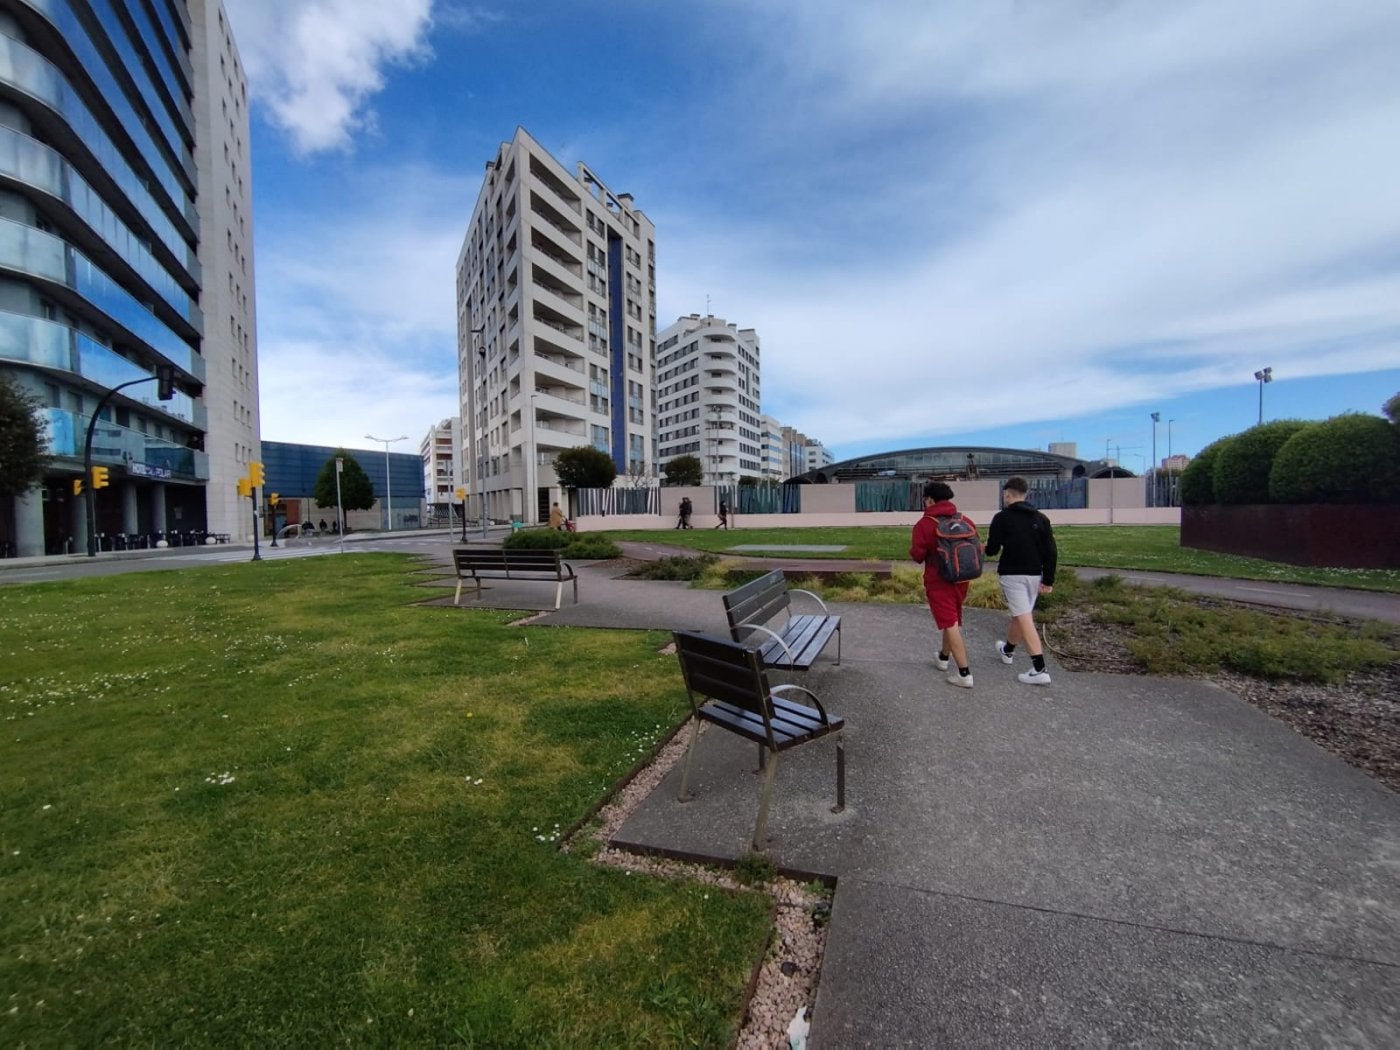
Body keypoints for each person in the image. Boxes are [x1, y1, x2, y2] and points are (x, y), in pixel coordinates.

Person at [985, 476, 1057, 686]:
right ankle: (1007, 650)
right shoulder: (1040, 518)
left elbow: (991, 550)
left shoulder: (1002, 518)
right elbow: (1051, 551)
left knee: (1024, 617)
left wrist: (983, 547)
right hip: (1035, 574)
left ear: (1007, 494)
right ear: (1026, 494)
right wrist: (1049, 579)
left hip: (1012, 574)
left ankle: (1039, 668)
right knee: (1021, 613)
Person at [909, 481, 976, 688]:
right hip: (962, 578)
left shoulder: (925, 523)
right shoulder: (965, 520)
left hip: (939, 580)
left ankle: (964, 674)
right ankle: (943, 657)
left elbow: (918, 555)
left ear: (929, 500)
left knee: (950, 623)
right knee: (952, 619)